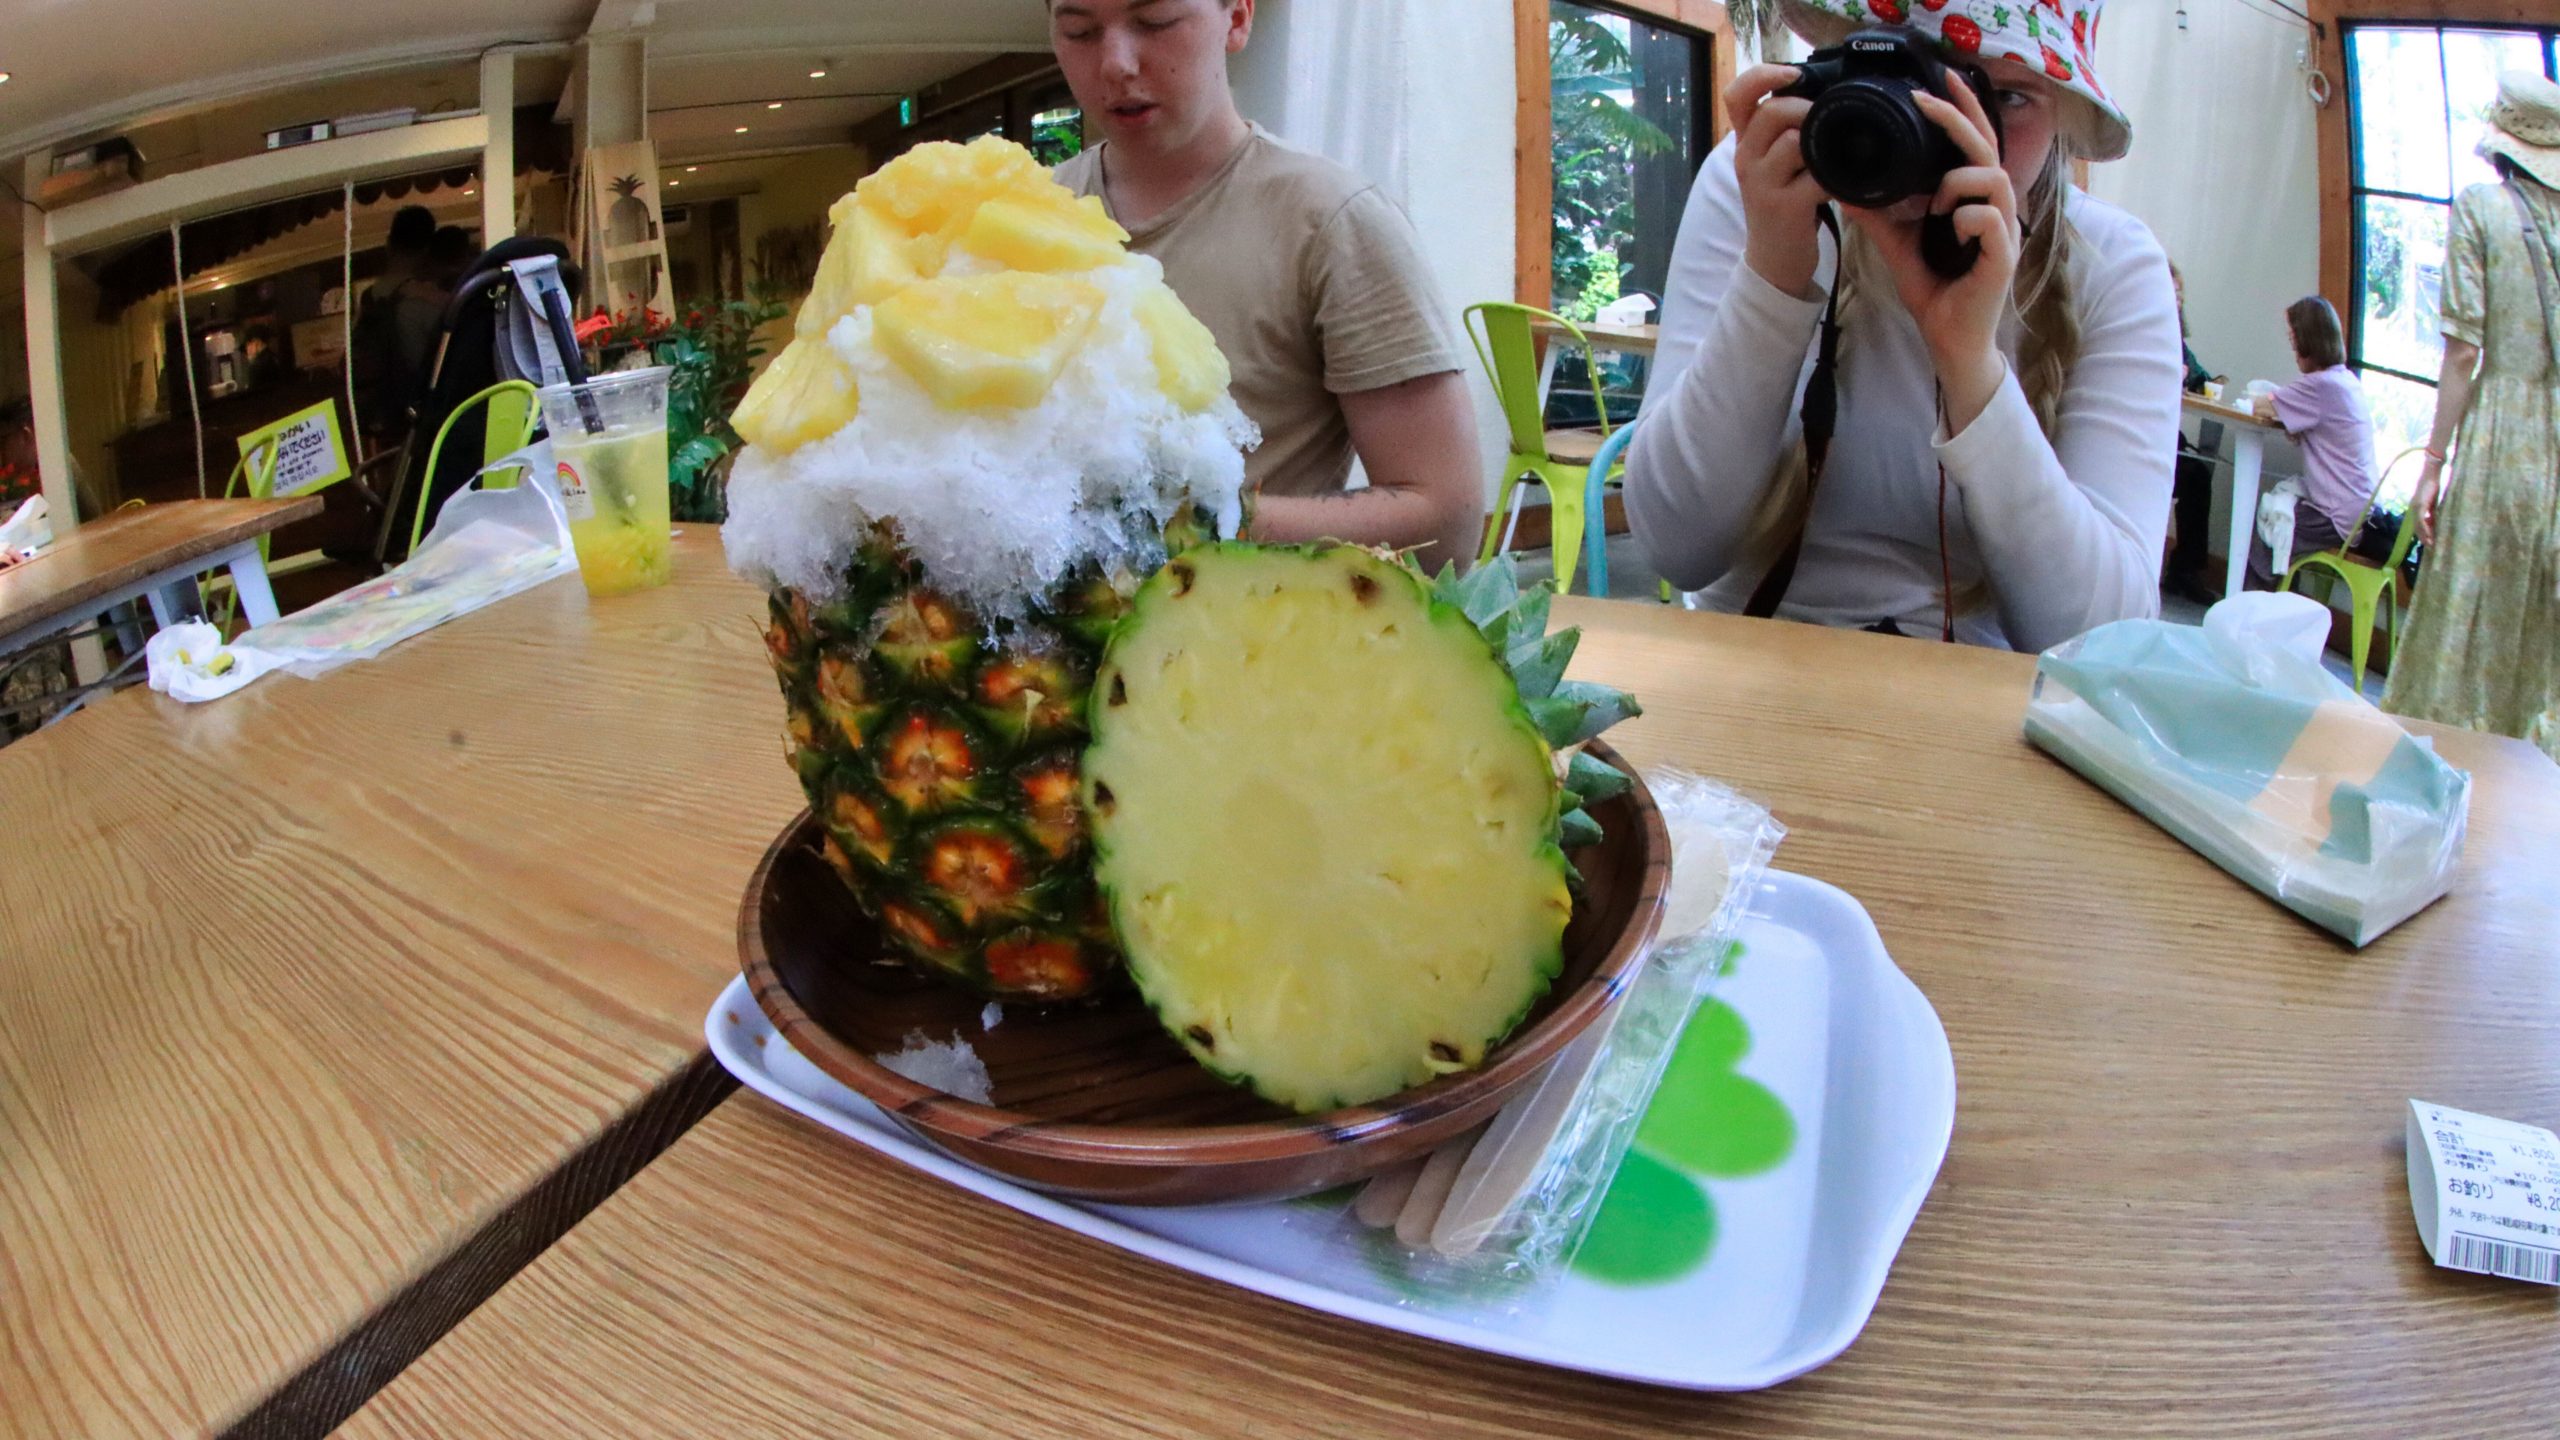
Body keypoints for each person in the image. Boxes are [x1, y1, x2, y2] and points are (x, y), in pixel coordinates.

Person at [1625, 0, 2181, 652]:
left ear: (2064, 113)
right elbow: (1675, 547)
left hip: (1980, 691)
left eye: (2005, 96)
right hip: (1749, 659)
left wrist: (1970, 363)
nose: (1949, 128)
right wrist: (1773, 277)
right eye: (1915, 77)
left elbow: (2103, 636)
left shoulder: (2114, 266)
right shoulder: (1766, 184)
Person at [1045, 0, 1484, 571]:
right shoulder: (1021, 214)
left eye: (1155, 22)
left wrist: (1195, 525)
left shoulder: (1332, 221)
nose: (1115, 64)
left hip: (1245, 618)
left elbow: (1445, 521)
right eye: (1080, 32)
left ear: (1237, 18)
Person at [2383, 70, 2560, 761]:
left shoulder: (2484, 209)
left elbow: (2463, 352)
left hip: (2502, 439)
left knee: (2469, 619)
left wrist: (2431, 463)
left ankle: (2453, 772)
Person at [2246, 296, 2377, 587]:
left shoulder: (2320, 385)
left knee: (2272, 520)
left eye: (2294, 342)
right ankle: (2275, 602)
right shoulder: (2345, 380)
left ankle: (2252, 603)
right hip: (2360, 509)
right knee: (2283, 514)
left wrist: (2268, 397)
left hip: (2336, 516)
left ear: (2307, 341)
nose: (2293, 351)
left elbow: (2261, 405)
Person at [2167, 260, 2226, 601]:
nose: (2177, 301)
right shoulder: (2140, 332)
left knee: (2197, 476)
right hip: (2139, 438)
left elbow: (2200, 377)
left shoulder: (2177, 342)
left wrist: (2204, 382)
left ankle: (2184, 570)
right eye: (2171, 292)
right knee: (2192, 475)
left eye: (2180, 295)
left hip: (2167, 438)